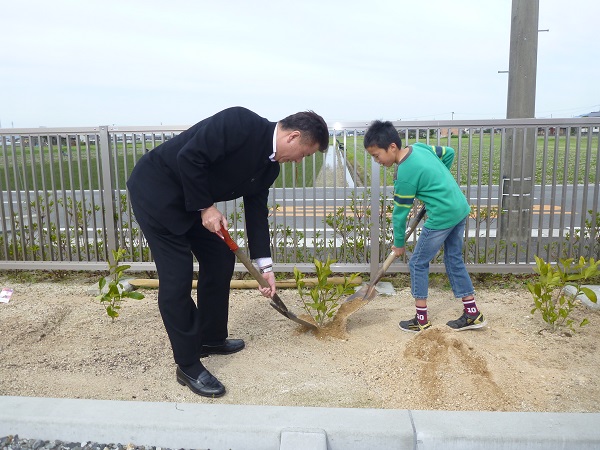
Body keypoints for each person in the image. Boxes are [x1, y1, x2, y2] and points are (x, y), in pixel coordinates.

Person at [126, 106, 329, 397]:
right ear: (294, 137)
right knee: (177, 277)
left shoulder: (269, 167)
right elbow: (190, 157)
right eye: (305, 154)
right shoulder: (239, 123)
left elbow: (256, 213)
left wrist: (266, 268)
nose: (300, 161)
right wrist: (206, 207)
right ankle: (187, 364)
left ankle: (210, 338)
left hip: (194, 201)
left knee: (220, 258)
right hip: (158, 192)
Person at [363, 120, 487, 333]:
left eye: (376, 156)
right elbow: (449, 152)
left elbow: (400, 215)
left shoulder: (404, 175)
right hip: (459, 208)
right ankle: (472, 313)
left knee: (418, 263)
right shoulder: (419, 147)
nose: (377, 161)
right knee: (454, 259)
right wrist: (437, 181)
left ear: (392, 147)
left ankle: (421, 320)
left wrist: (399, 244)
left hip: (442, 216)